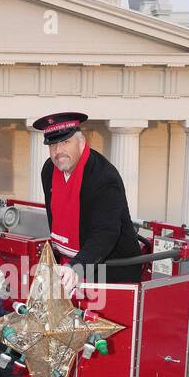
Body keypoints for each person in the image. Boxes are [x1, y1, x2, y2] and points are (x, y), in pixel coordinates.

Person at [33, 112, 143, 294]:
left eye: (65, 142)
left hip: (110, 270)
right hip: (71, 265)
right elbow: (54, 218)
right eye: (52, 144)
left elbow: (106, 232)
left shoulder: (104, 177)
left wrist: (76, 266)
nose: (58, 151)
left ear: (81, 142)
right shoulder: (49, 170)